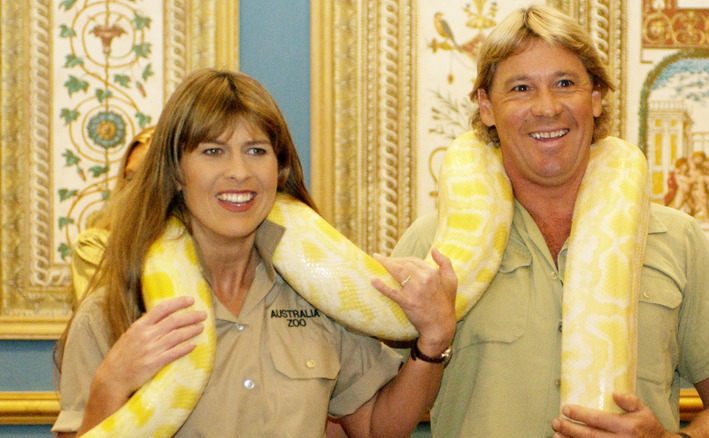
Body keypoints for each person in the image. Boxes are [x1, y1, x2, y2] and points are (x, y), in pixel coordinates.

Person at [392, 5, 709, 437]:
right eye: (520, 88)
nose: (547, 108)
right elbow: (364, 411)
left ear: (595, 99)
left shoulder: (677, 239)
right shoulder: (434, 246)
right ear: (486, 106)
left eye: (565, 84)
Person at [52, 69, 457, 437]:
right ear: (176, 171)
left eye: (257, 150)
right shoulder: (113, 311)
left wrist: (434, 341)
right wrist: (110, 385)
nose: (240, 172)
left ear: (278, 169)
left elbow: (374, 428)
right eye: (213, 151)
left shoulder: (322, 294)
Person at [70, 126, 155, 301]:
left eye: (151, 177)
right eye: (130, 178)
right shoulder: (96, 247)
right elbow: (106, 324)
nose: (137, 189)